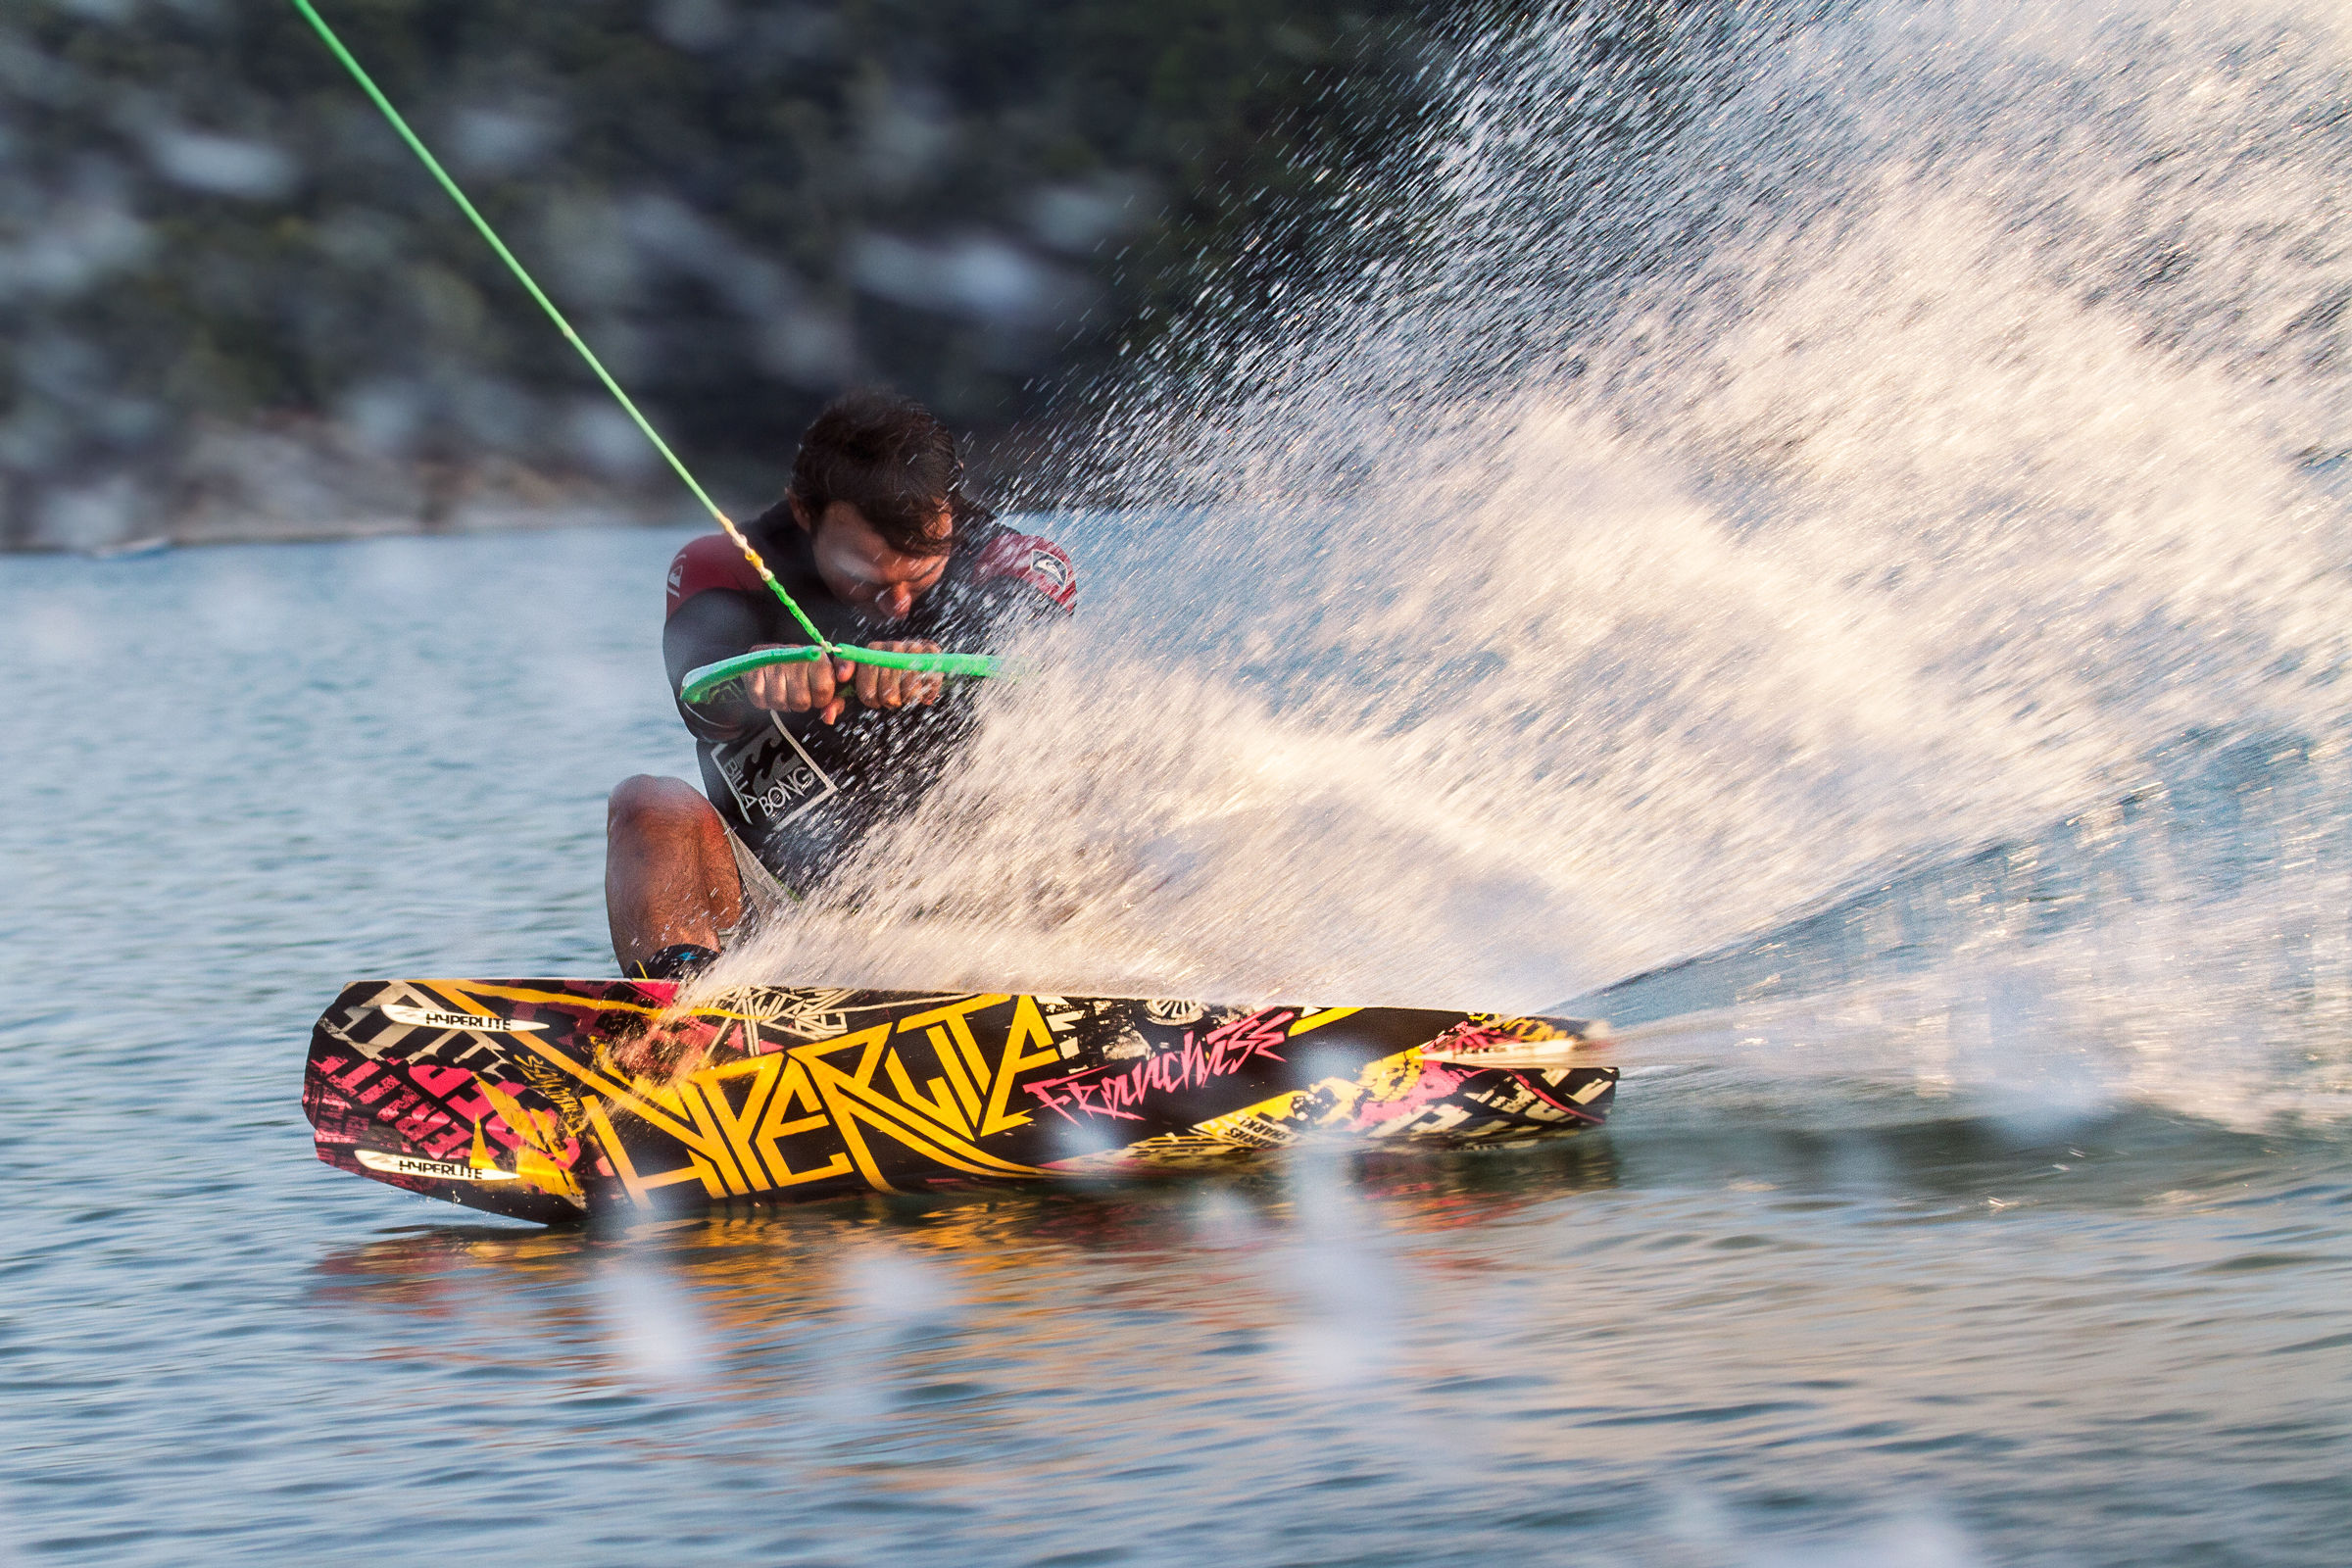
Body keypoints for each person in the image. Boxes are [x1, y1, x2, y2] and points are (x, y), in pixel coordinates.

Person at [605, 390, 1077, 979]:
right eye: (866, 577)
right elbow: (696, 693)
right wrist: (753, 673)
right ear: (804, 512)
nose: (898, 604)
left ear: (950, 511)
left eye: (921, 574)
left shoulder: (1015, 560)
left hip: (983, 897)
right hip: (780, 914)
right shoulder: (722, 565)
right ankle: (683, 1008)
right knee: (646, 803)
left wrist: (938, 662)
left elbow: (1033, 659)